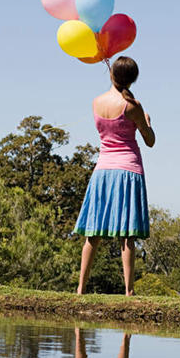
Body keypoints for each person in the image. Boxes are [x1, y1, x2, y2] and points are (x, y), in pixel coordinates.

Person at [73, 55, 155, 295]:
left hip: (102, 171)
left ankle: (80, 288)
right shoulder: (133, 106)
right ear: (133, 79)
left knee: (93, 232)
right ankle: (128, 291)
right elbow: (149, 141)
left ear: (111, 74)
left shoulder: (96, 102)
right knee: (127, 235)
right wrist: (147, 123)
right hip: (128, 171)